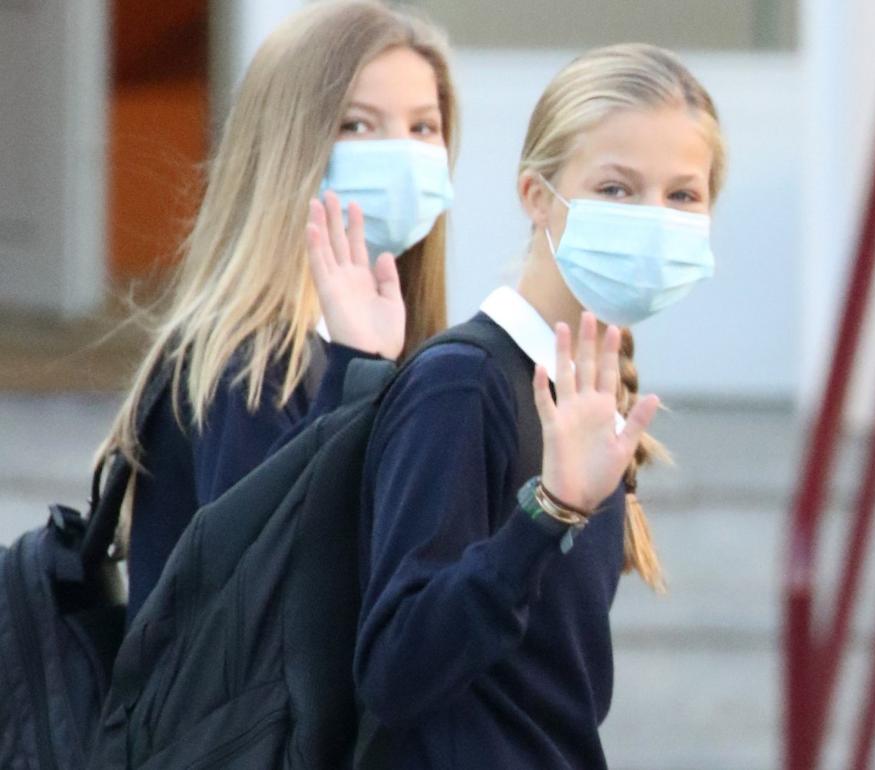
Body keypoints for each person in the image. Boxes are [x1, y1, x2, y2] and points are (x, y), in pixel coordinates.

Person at [347, 43, 725, 768]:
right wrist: (548, 511)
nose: (654, 218)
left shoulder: (586, 392)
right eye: (616, 189)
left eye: (683, 195)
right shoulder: (463, 386)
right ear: (536, 195)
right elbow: (396, 665)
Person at [95, 0, 458, 623]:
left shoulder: (395, 341)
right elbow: (272, 594)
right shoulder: (248, 361)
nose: (400, 153)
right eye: (357, 125)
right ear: (290, 149)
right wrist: (355, 371)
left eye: (423, 127)